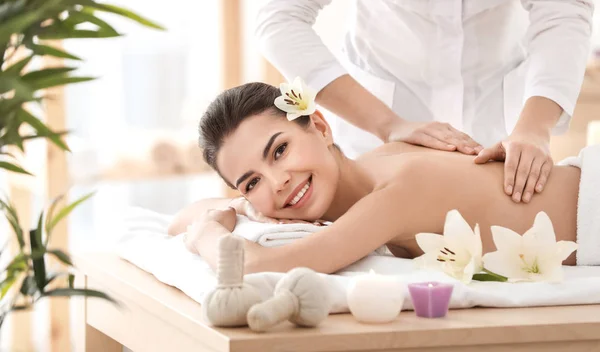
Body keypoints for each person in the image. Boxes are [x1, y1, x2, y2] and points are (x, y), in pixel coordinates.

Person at [254, 0, 593, 204]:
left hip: (498, 131)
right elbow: (279, 18)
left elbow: (562, 13)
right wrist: (388, 124)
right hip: (378, 130)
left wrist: (534, 128)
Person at [168, 82, 581, 275]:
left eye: (279, 151)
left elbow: (258, 267)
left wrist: (207, 231)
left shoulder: (397, 191)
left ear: (321, 125)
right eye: (251, 182)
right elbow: (177, 219)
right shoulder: (372, 171)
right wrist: (236, 206)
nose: (276, 182)